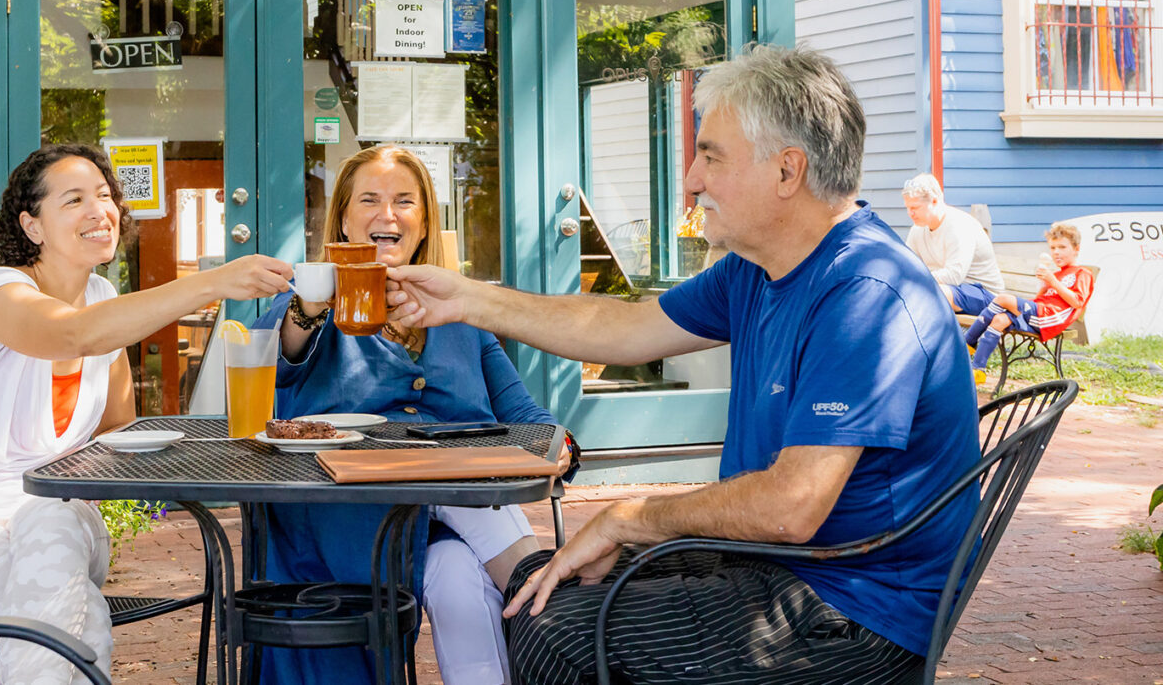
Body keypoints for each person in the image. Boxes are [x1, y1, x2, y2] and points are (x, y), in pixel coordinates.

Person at [388, 45, 981, 685]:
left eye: (712, 155)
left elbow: (793, 505)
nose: (692, 179)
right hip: (773, 562)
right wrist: (469, 299)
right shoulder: (759, 269)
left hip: (852, 612)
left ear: (788, 171)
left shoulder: (865, 291)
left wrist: (633, 517)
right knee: (545, 591)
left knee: (557, 637)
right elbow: (623, 327)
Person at [0, 143, 293, 685]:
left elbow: (118, 430)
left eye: (104, 195)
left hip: (61, 522)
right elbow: (70, 335)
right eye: (74, 199)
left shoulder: (101, 295)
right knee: (69, 601)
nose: (100, 210)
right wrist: (212, 282)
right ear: (32, 227)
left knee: (50, 524)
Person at [259, 144, 573, 685]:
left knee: (458, 583)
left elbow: (522, 412)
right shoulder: (309, 305)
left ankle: (540, 602)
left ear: (424, 220)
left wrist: (560, 444)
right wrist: (312, 302)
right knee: (475, 504)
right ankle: (556, 606)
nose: (388, 214)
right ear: (343, 218)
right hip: (352, 514)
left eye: (405, 201)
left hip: (444, 520)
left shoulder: (459, 311)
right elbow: (277, 359)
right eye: (370, 201)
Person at [963, 221, 1094, 385]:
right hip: (1038, 314)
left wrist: (1053, 282)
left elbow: (1076, 302)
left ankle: (968, 342)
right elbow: (1041, 299)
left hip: (1049, 319)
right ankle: (978, 370)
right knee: (999, 320)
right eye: (1053, 248)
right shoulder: (1057, 274)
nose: (1056, 252)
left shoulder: (1083, 273)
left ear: (1076, 249)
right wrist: (1046, 285)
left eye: (1062, 247)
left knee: (1003, 298)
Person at [902, 173, 1005, 315]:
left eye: (915, 208)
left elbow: (954, 276)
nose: (910, 213)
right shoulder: (917, 230)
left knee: (935, 293)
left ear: (934, 201)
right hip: (948, 292)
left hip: (985, 295)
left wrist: (917, 280)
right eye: (907, 207)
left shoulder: (959, 225)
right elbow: (907, 266)